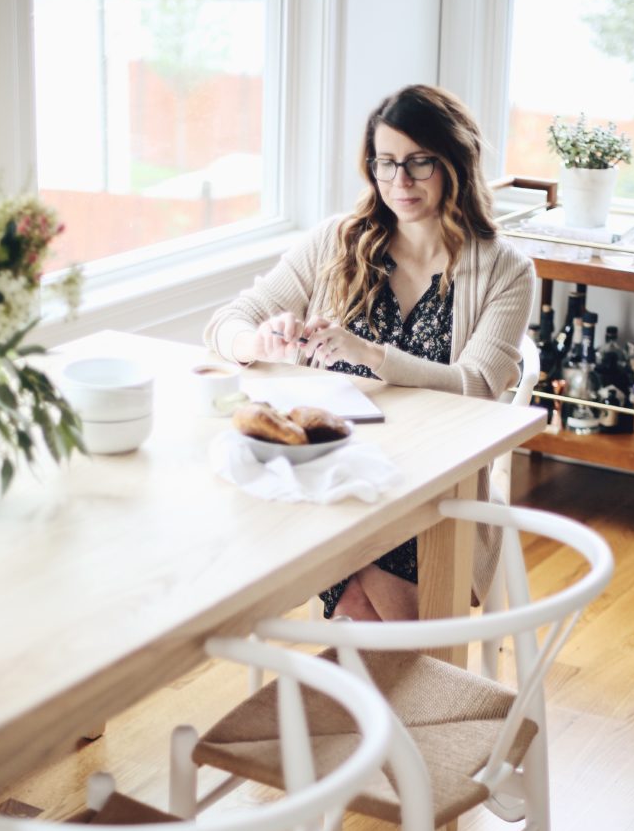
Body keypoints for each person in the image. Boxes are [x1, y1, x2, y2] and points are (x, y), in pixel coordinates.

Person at [204, 83, 536, 621]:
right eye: (385, 163)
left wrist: (373, 353)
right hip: (336, 469)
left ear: (455, 162)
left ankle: (329, 700)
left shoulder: (505, 270)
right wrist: (258, 341)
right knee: (358, 561)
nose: (399, 182)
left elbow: (480, 387)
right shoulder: (338, 241)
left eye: (418, 163)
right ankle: (421, 696)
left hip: (435, 479)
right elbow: (226, 323)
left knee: (363, 591)